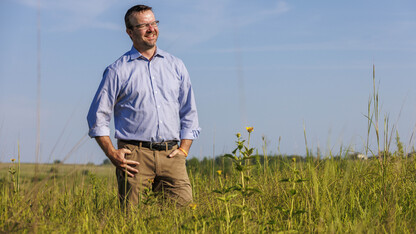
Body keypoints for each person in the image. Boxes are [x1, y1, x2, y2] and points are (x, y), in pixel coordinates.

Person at [87, 4, 201, 207]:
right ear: (130, 32)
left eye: (153, 23)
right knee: (134, 221)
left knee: (184, 215)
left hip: (172, 154)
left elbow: (188, 111)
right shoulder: (117, 70)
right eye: (143, 25)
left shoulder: (176, 65)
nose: (151, 29)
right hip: (134, 157)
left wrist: (184, 149)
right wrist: (112, 154)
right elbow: (97, 117)